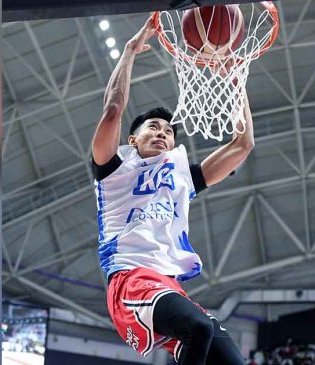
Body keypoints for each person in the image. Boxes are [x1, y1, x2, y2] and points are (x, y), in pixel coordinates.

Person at [91, 14, 255, 365]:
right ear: (133, 139)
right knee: (200, 327)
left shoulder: (181, 176)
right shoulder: (113, 170)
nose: (164, 132)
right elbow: (113, 110)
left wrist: (234, 80)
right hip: (130, 278)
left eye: (169, 130)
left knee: (230, 359)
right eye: (154, 126)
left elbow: (243, 145)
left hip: (167, 286)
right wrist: (131, 51)